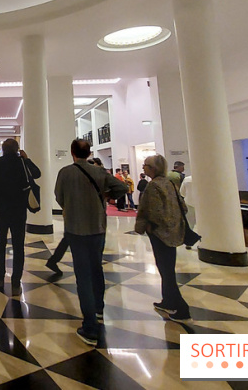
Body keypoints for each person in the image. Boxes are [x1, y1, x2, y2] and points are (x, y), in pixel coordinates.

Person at [54, 139, 127, 346]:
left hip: (76, 228)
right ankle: (99, 309)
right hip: (97, 228)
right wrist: (105, 196)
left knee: (82, 275)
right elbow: (121, 188)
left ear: (72, 153)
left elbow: (59, 197)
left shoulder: (65, 173)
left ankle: (90, 326)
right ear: (88, 153)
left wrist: (72, 204)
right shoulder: (99, 172)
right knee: (96, 269)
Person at [135, 154, 192, 323]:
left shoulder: (154, 186)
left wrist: (150, 225)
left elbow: (153, 211)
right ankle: (167, 300)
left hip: (160, 234)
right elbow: (183, 206)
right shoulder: (170, 183)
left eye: (145, 165)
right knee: (166, 267)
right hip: (173, 231)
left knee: (166, 270)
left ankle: (182, 308)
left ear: (152, 169)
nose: (143, 167)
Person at [0, 138, 40, 296]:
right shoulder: (21, 163)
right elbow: (37, 174)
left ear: (3, 149)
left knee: (0, 243)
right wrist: (26, 158)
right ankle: (15, 283)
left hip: (1, 209)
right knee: (18, 245)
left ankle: (0, 278)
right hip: (19, 209)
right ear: (17, 149)